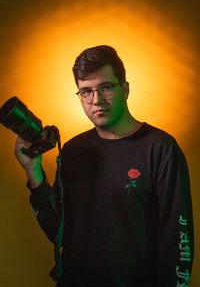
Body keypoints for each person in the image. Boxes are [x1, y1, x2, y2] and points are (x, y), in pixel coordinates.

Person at [15, 45, 194, 287]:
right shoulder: (73, 150)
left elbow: (178, 241)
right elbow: (58, 231)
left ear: (126, 89)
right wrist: (33, 171)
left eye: (106, 87)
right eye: (86, 91)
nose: (96, 100)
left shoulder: (160, 149)